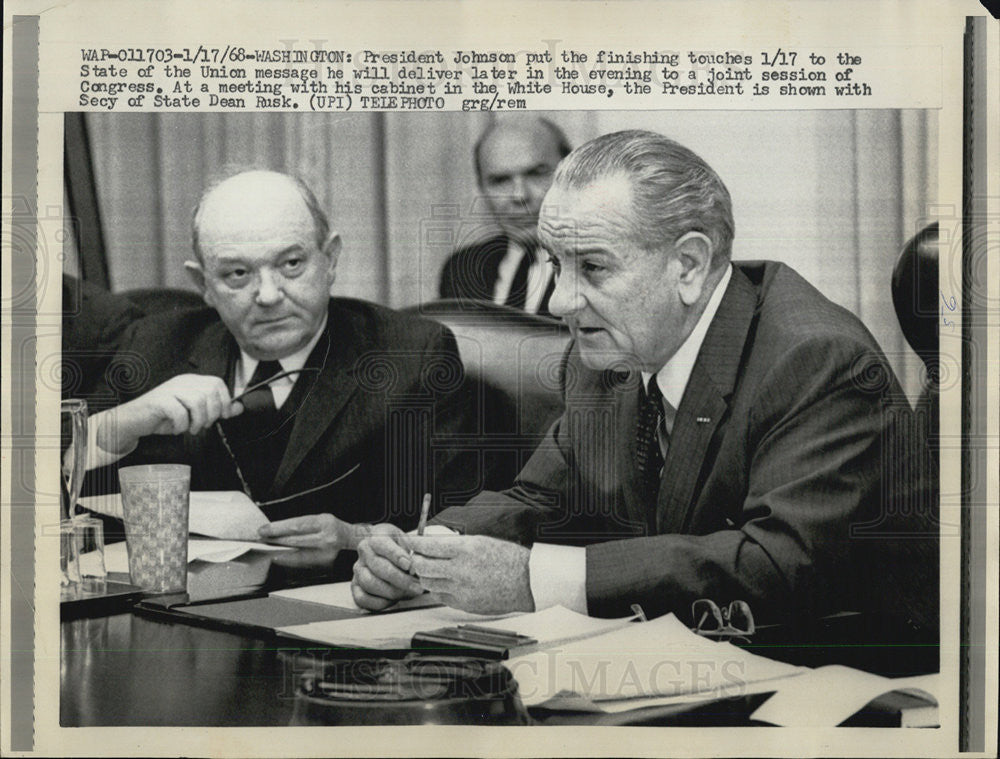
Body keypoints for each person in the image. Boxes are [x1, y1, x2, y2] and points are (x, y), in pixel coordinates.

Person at [353, 130, 933, 630]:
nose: (560, 301)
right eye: (556, 264)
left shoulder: (817, 360)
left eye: (594, 267)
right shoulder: (605, 353)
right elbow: (538, 497)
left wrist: (538, 579)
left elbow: (778, 564)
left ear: (688, 265)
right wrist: (428, 553)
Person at [85, 170, 478, 549]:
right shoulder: (155, 346)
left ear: (331, 259)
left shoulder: (411, 356)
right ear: (203, 285)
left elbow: (457, 524)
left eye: (291, 264)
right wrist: (117, 427)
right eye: (238, 273)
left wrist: (356, 538)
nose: (269, 295)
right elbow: (52, 497)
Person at [438, 117, 571, 315]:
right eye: (500, 181)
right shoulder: (461, 270)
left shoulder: (598, 265)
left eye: (536, 174)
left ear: (572, 173)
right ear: (481, 187)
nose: (519, 196)